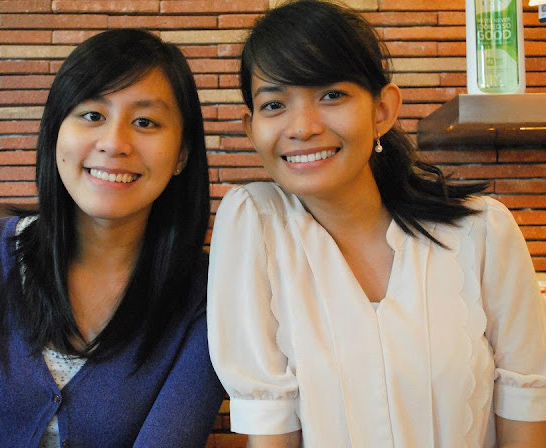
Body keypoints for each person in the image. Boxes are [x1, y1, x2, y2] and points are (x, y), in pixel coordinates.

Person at [207, 1, 546, 447]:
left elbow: (525, 408)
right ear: (251, 128)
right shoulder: (256, 224)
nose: (302, 127)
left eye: (331, 95)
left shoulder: (483, 231)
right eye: (274, 104)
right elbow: (271, 430)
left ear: (382, 109)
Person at [0, 29, 224, 447]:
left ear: (182, 153)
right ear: (56, 131)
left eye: (145, 122)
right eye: (92, 115)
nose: (114, 143)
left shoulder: (209, 294)